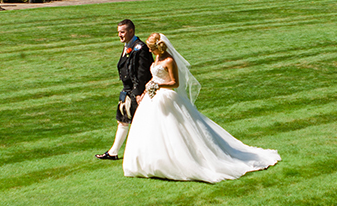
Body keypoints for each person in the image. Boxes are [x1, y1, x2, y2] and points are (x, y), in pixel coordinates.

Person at [122, 33, 280, 182]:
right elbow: (153, 77)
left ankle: (174, 162)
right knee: (149, 128)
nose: (149, 50)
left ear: (159, 47)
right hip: (152, 98)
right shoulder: (156, 59)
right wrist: (145, 91)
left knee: (173, 128)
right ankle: (148, 161)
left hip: (166, 96)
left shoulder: (169, 61)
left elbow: (175, 83)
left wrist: (158, 85)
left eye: (152, 47)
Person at [96, 20, 153, 161]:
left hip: (135, 92)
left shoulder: (140, 48)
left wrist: (138, 93)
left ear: (131, 31)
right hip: (126, 90)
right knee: (122, 120)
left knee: (138, 123)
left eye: (122, 32)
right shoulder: (128, 46)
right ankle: (113, 152)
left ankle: (142, 152)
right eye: (118, 32)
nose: (119, 35)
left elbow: (142, 73)